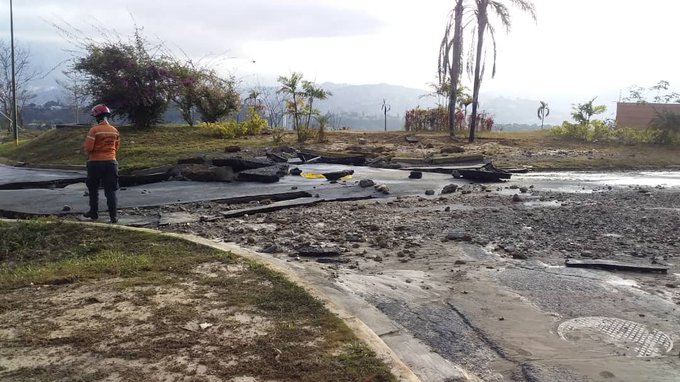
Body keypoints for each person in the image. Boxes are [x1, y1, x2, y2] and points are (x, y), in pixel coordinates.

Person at [83, 104, 120, 223]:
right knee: (110, 191)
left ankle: (93, 213)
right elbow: (116, 147)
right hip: (111, 163)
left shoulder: (94, 130)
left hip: (95, 163)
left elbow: (89, 148)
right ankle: (113, 216)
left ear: (97, 117)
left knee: (93, 189)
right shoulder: (115, 131)